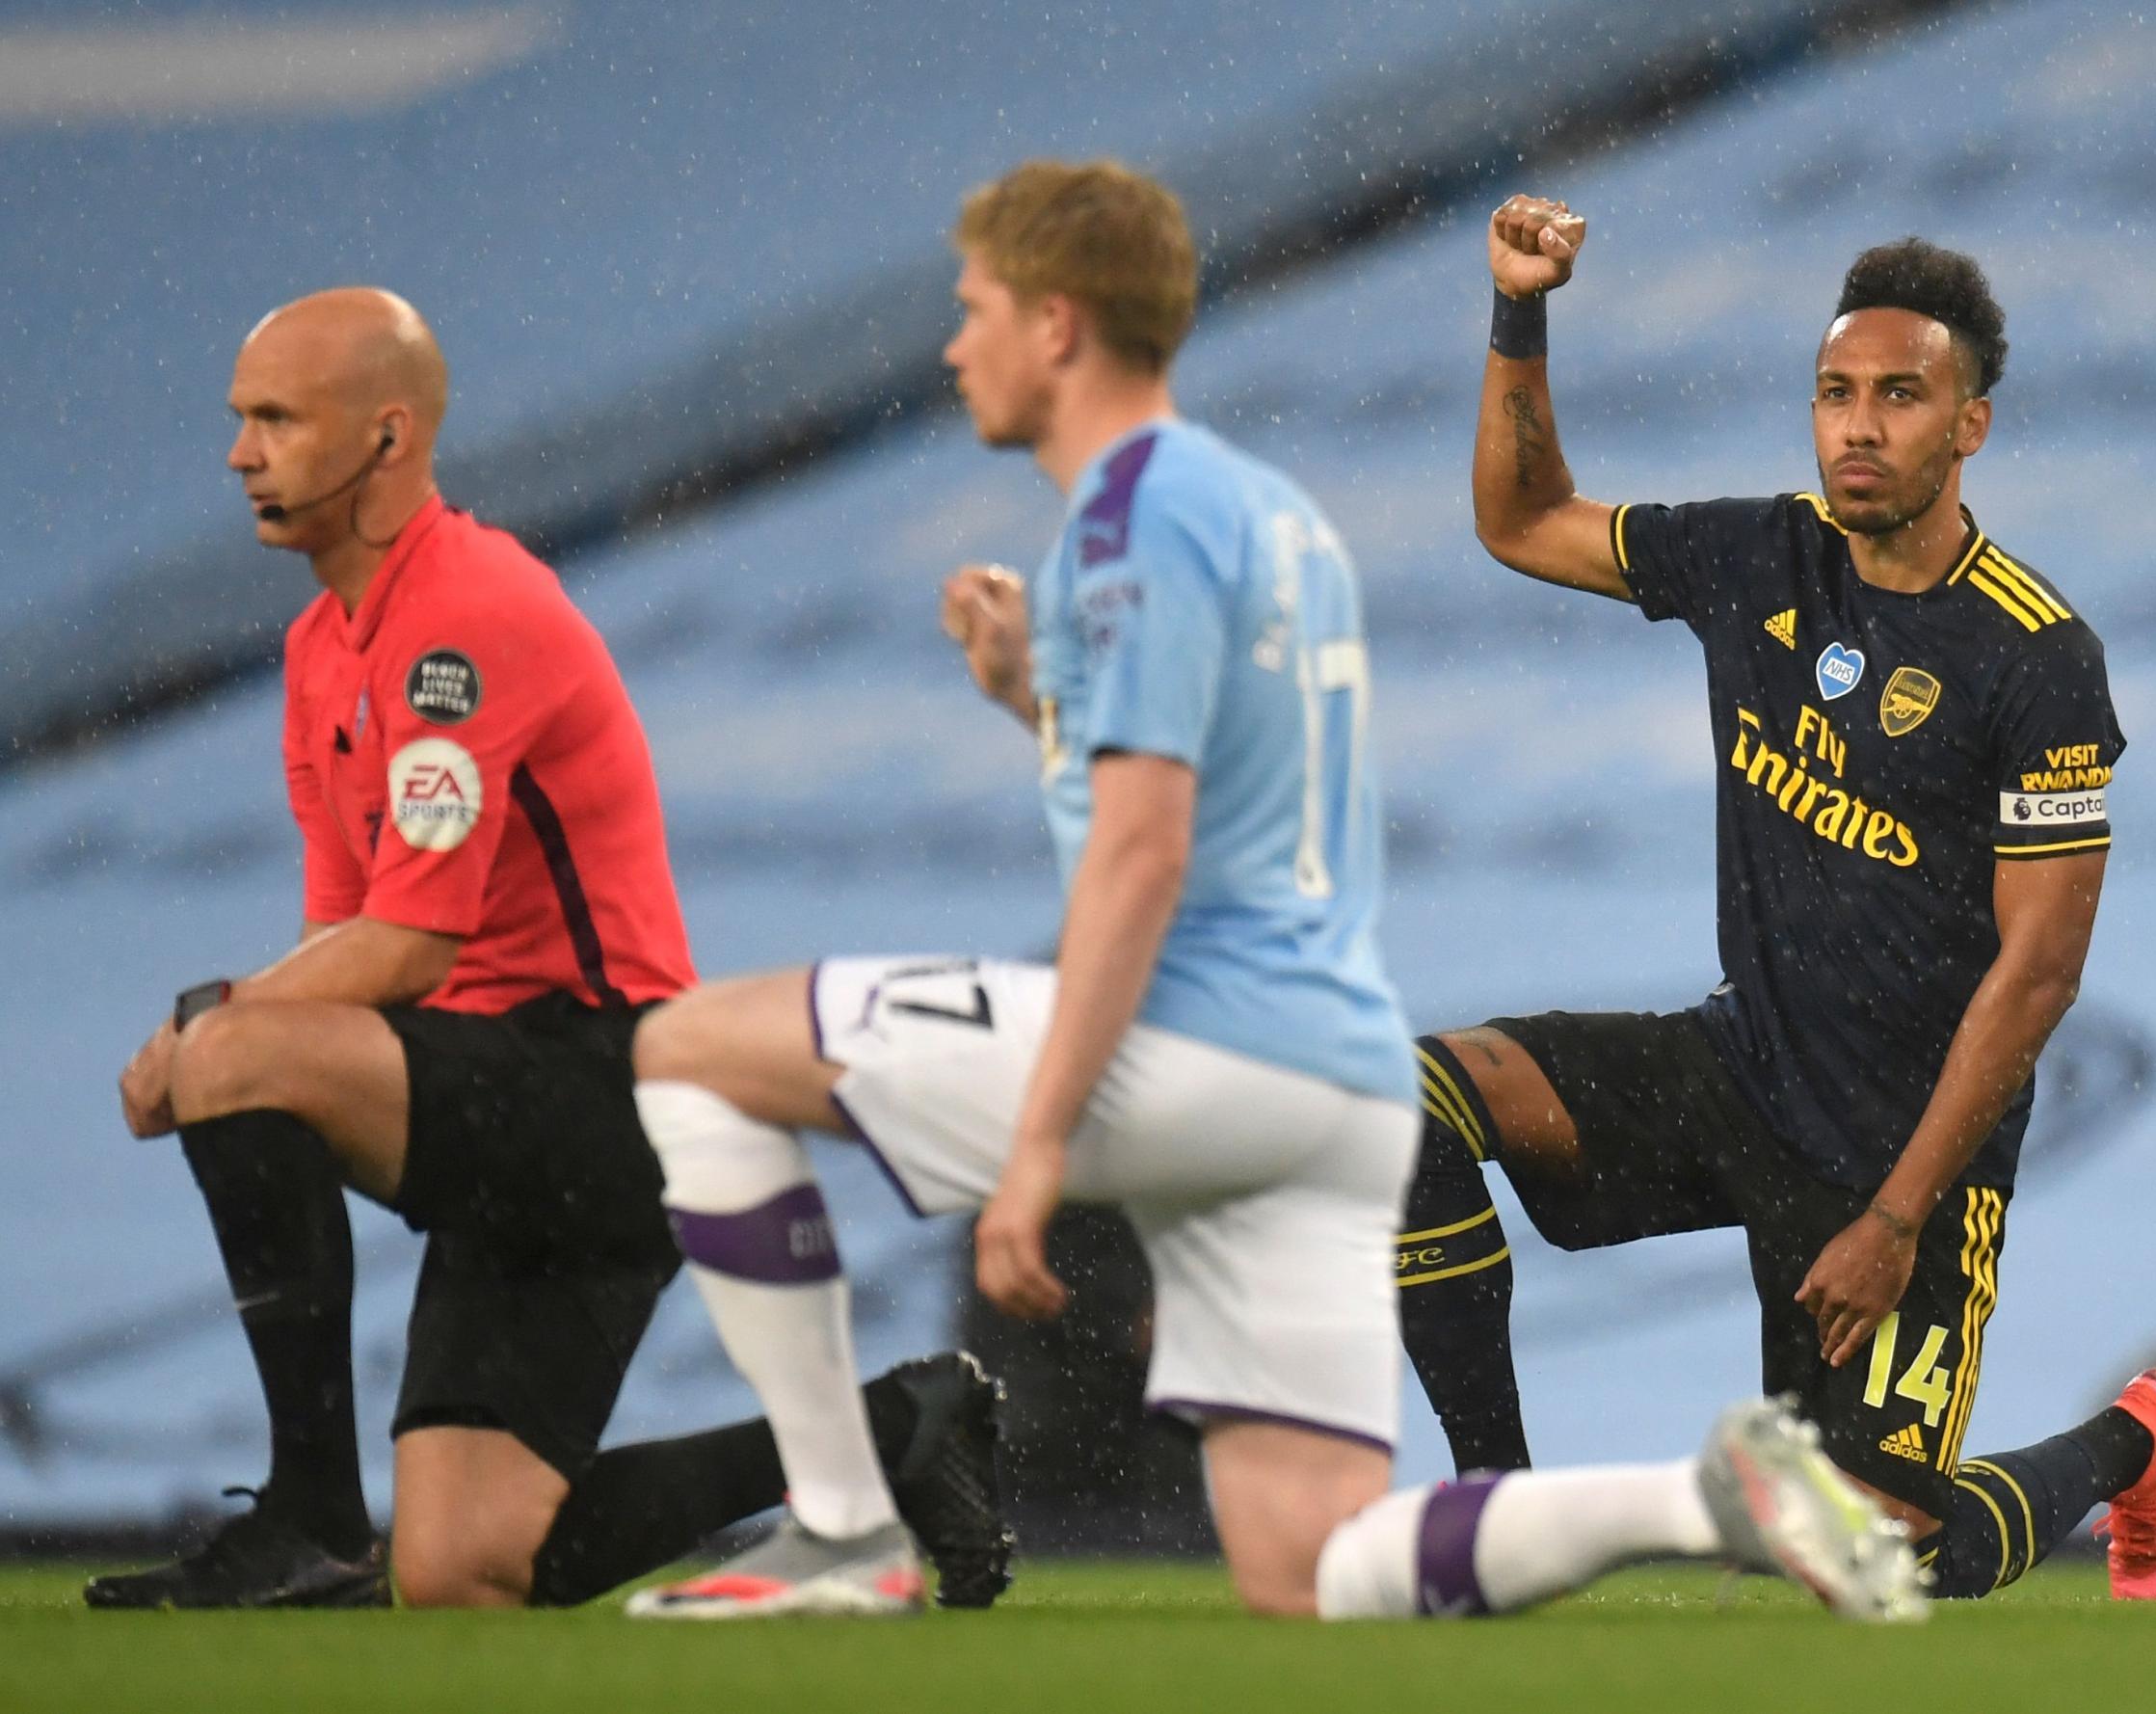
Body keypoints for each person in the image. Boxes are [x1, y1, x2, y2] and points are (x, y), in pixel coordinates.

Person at [620, 160, 1923, 1623]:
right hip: (1327, 1078)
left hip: (1191, 1045)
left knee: (684, 1049)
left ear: (1056, 324)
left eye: (973, 307)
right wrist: (1032, 704)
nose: (950, 344)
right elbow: (1213, 800)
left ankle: (846, 1517)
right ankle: (1700, 1496)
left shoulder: (1131, 516)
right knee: (1310, 1567)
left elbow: (1146, 850)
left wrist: (1038, 1144)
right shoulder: (1260, 514)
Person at [90, 288, 1011, 1612]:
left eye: (278, 418)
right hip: (506, 1108)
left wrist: (202, 1037)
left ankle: (306, 1514)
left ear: (388, 436)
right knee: (466, 1567)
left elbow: (408, 943)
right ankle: (892, 1429)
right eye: (240, 420)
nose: (241, 452)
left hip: (605, 1082)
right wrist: (228, 1032)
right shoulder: (317, 650)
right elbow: (340, 944)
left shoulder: (460, 611)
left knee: (236, 1053)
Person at [1392, 194, 2156, 1602]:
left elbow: (2037, 974)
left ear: (1970, 426)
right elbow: (1520, 519)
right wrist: (1518, 310)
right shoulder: (1757, 557)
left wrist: (1894, 1218)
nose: (1857, 425)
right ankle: (1495, 1525)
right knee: (1402, 1098)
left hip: (1910, 1157)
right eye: (1834, 393)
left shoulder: (2036, 655)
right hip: (1741, 1075)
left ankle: (2136, 1440)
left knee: (1872, 1562)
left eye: (1900, 396)